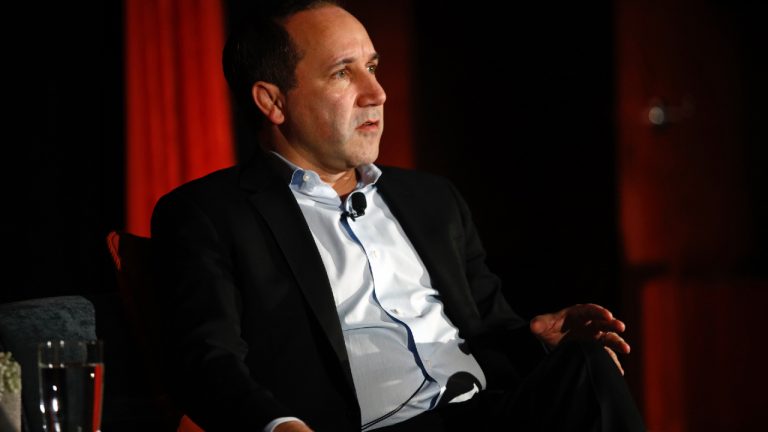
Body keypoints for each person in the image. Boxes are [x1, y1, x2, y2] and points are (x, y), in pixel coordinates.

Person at [151, 1, 646, 431]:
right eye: (343, 73)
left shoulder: (431, 199)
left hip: (487, 411)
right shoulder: (209, 213)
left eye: (373, 66)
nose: (377, 93)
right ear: (273, 100)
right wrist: (279, 426)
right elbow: (206, 359)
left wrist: (538, 340)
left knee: (586, 364)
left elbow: (492, 329)